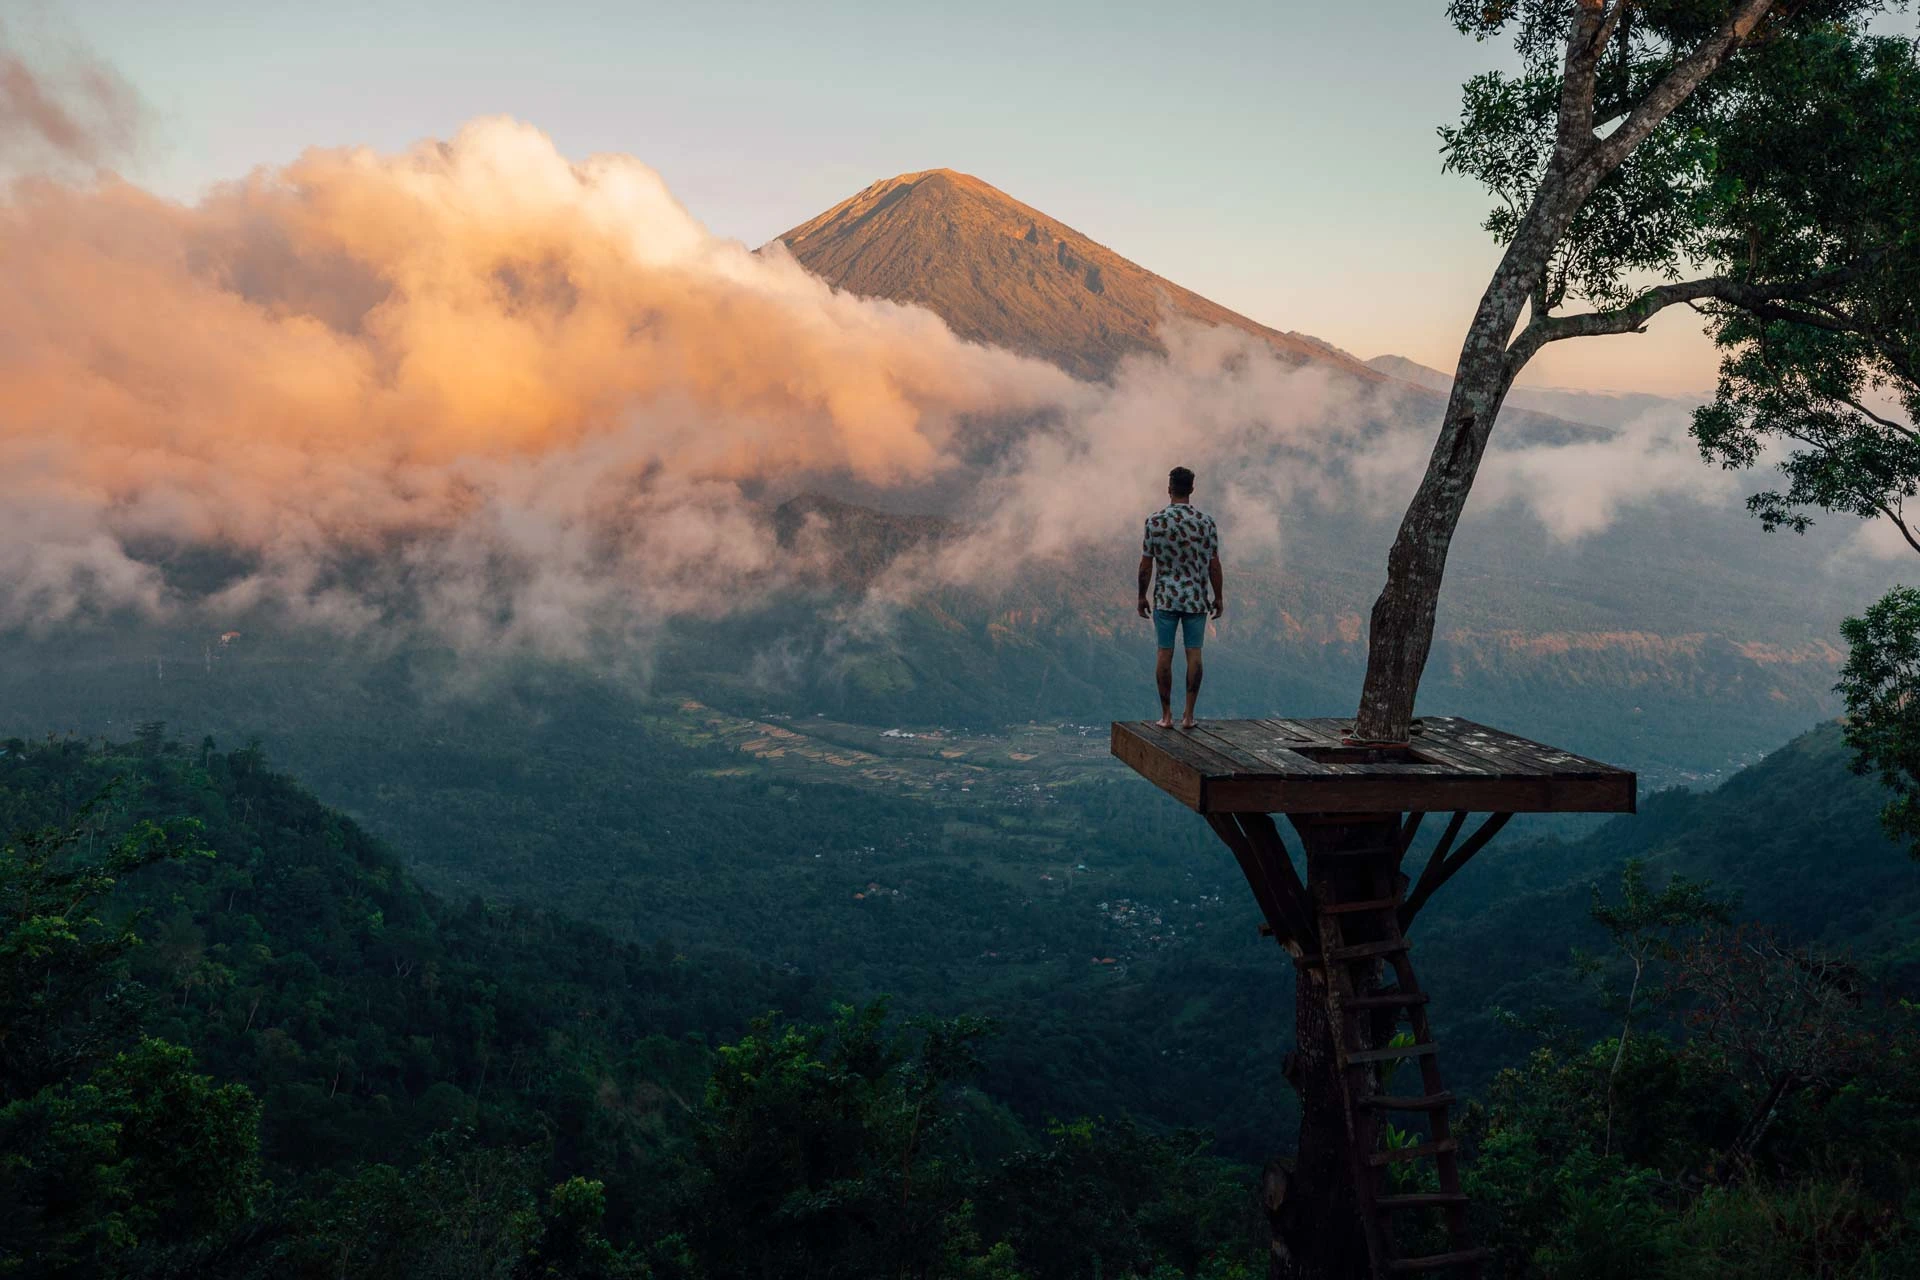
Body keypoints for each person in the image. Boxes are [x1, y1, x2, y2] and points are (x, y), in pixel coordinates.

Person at [1137, 465, 1222, 730]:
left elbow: (1146, 564)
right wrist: (1218, 596)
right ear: (1192, 489)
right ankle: (1188, 716)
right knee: (1194, 654)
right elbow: (1214, 564)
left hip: (1165, 598)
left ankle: (1166, 716)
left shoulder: (1155, 521)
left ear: (1169, 489)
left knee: (1164, 653)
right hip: (1196, 599)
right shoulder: (1205, 522)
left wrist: (1142, 596)